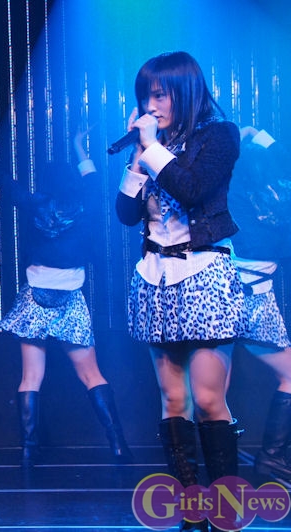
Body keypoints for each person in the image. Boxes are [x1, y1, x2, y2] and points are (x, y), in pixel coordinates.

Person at [115, 51, 245, 532]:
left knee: (209, 400)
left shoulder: (219, 136)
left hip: (204, 274)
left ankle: (224, 512)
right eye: (145, 96)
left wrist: (152, 148)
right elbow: (126, 214)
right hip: (156, 278)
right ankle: (193, 514)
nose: (150, 105)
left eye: (159, 95)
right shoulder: (152, 146)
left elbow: (192, 189)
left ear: (184, 92)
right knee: (173, 402)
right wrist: (139, 155)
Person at [0, 123, 133, 466]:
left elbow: (4, 180)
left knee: (31, 377)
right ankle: (118, 445)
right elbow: (92, 180)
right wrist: (79, 146)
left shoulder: (33, 203)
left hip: (34, 296)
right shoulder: (86, 203)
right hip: (71, 297)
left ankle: (28, 452)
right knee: (92, 375)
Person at [228, 126, 291, 480]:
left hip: (221, 293)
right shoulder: (282, 198)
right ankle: (270, 457)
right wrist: (261, 135)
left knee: (212, 387)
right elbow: (286, 161)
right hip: (250, 297)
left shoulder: (232, 193)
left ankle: (222, 459)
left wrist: (236, 141)